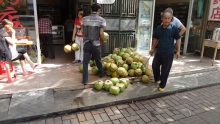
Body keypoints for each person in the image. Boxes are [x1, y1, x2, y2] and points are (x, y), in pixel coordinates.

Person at [149, 10, 181, 92]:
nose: (167, 20)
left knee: (165, 70)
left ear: (171, 19)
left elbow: (178, 39)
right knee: (154, 66)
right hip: (159, 52)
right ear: (162, 19)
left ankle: (162, 84)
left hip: (169, 53)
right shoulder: (158, 28)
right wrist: (152, 48)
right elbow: (156, 39)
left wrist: (178, 51)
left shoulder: (174, 29)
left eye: (168, 18)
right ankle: (157, 78)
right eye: (165, 18)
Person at [81, 3, 106, 84]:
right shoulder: (101, 20)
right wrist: (101, 41)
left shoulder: (84, 19)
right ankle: (101, 74)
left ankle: (85, 80)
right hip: (96, 44)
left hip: (87, 43)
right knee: (98, 60)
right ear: (98, 10)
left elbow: (82, 31)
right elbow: (101, 33)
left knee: (85, 63)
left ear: (91, 10)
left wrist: (86, 38)